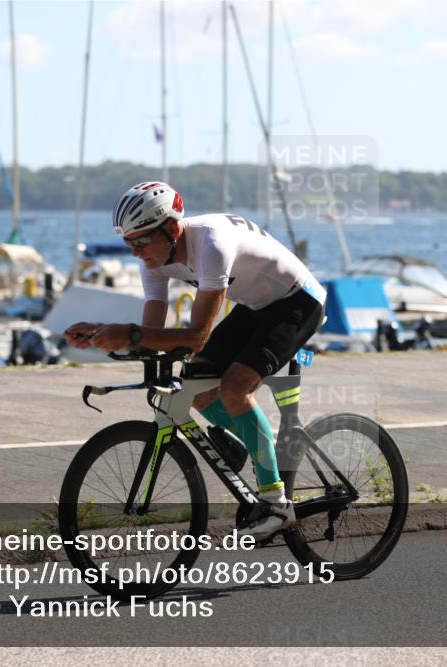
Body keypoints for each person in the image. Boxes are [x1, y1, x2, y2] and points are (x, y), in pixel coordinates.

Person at [64, 181, 326, 540]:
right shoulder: (154, 259)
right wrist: (100, 334)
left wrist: (129, 333)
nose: (136, 252)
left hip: (298, 302)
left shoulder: (211, 245)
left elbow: (196, 336)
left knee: (235, 388)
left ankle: (277, 503)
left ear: (172, 228)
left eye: (141, 241)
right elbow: (149, 332)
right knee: (198, 386)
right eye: (129, 244)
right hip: (255, 306)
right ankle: (253, 442)